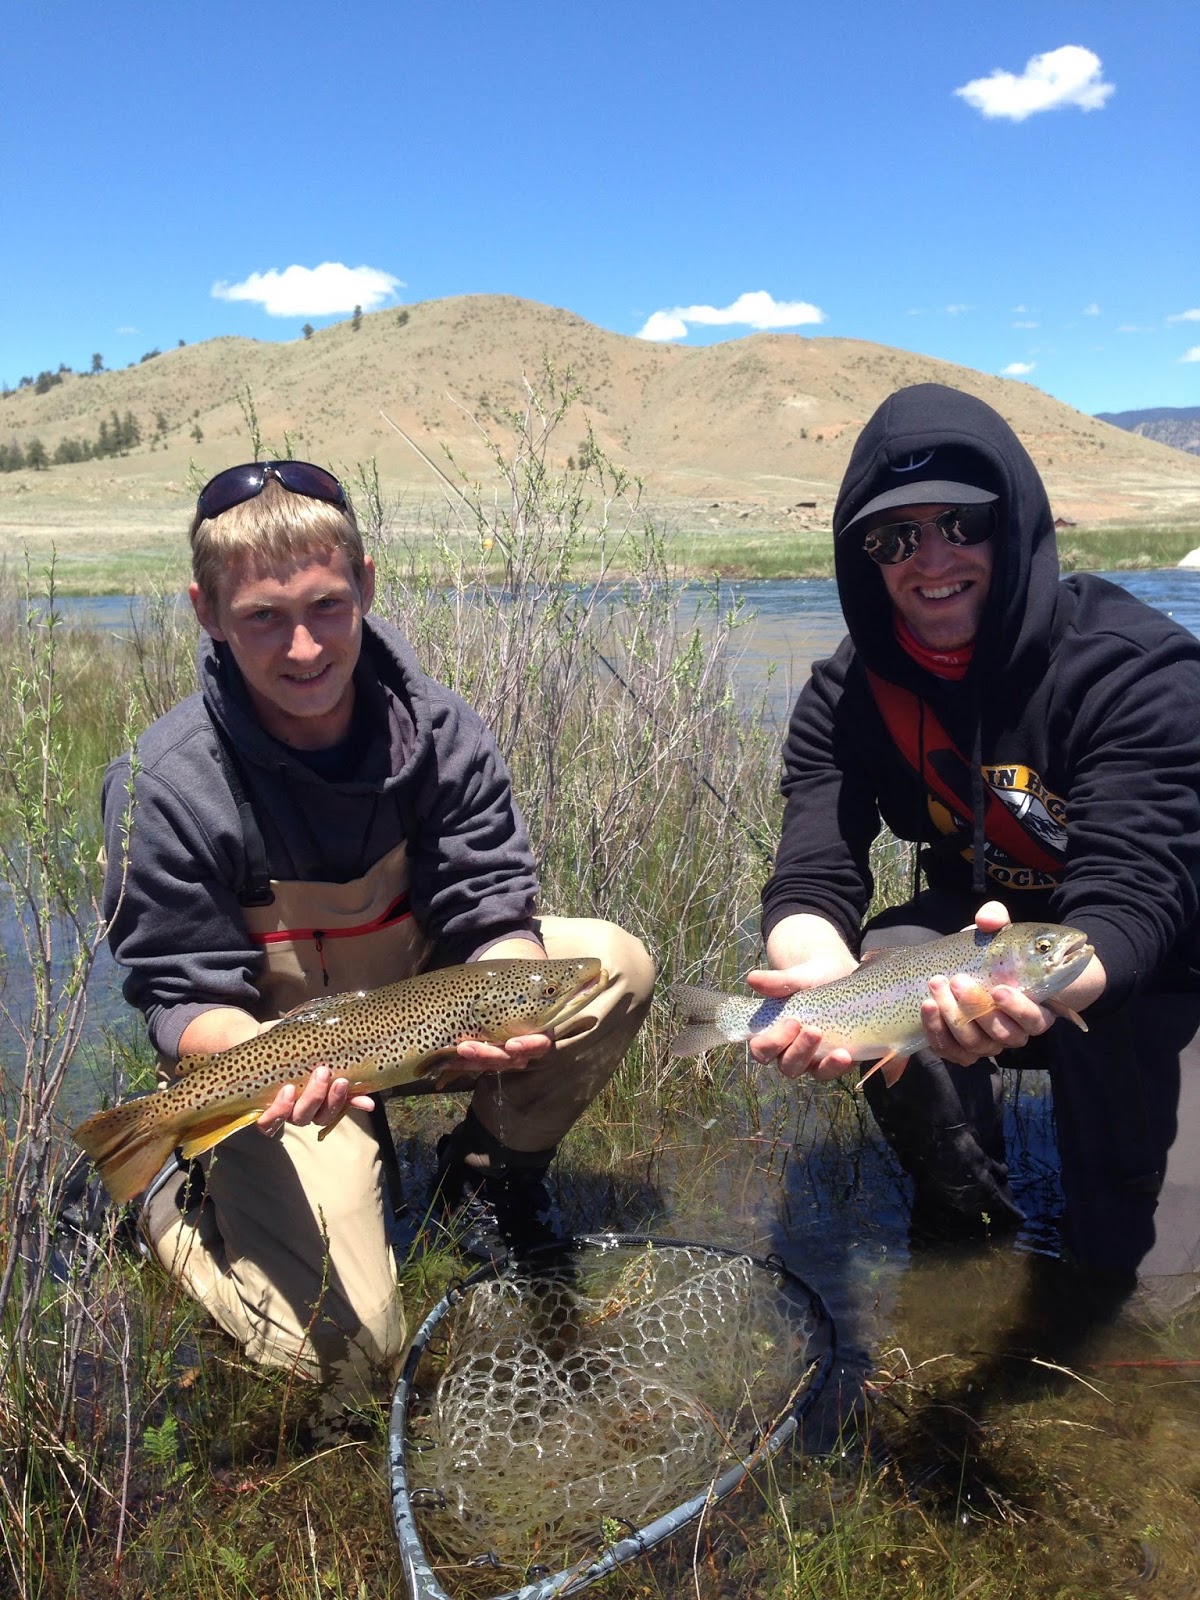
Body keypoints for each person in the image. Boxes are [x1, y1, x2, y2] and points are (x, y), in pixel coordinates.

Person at [100, 459, 655, 1395]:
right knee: (346, 1357)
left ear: (365, 582)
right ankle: (160, 1197)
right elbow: (178, 989)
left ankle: (483, 1178)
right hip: (271, 1051)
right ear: (206, 611)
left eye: (325, 605)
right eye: (262, 619)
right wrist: (264, 1063)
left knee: (614, 965)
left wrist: (513, 991)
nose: (305, 648)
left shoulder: (443, 730)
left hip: (416, 1008)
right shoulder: (164, 784)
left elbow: (492, 904)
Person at [751, 382, 1200, 1306]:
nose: (932, 559)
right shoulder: (846, 695)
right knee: (891, 951)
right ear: (863, 557)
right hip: (973, 950)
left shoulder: (1138, 670)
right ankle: (971, 1218)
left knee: (1149, 1290)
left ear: (1017, 524)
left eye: (962, 522)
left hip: (1146, 969)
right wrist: (820, 982)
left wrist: (1041, 989)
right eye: (895, 537)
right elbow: (812, 871)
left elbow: (1135, 902)